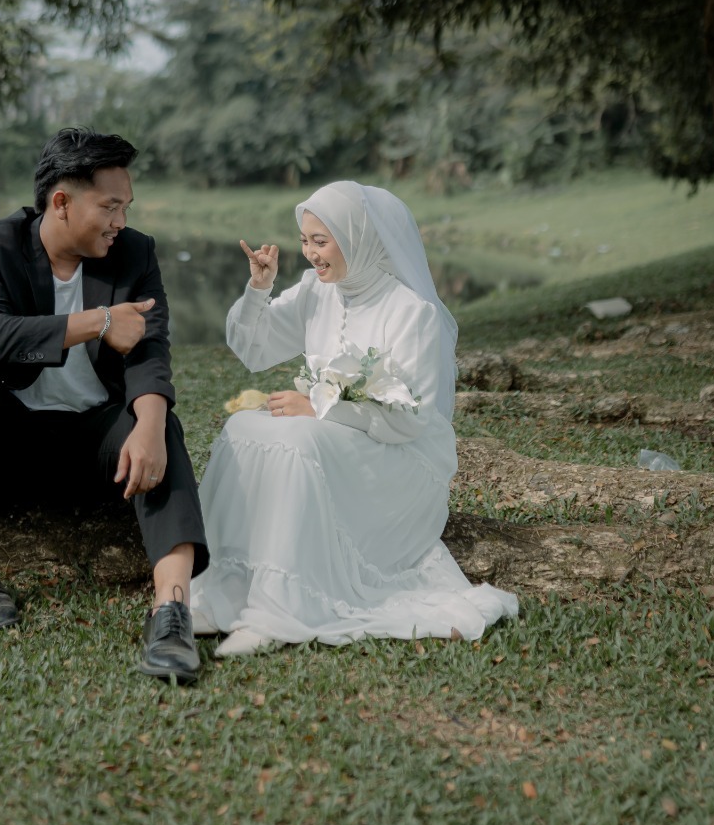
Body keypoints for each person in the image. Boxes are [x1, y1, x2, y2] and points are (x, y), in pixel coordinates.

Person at [0, 128, 208, 682]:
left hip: (98, 443)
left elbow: (150, 347)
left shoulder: (134, 252)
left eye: (126, 207)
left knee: (159, 423)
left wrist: (149, 423)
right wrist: (98, 321)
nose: (120, 221)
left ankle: (172, 612)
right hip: (10, 444)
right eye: (109, 207)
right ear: (61, 202)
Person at [190, 180, 518, 656]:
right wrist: (259, 289)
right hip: (340, 441)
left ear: (356, 238)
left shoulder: (412, 312)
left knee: (299, 441)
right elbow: (254, 348)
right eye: (305, 240)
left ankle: (277, 609)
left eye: (320, 241)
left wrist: (320, 407)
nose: (310, 253)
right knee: (241, 427)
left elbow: (410, 419)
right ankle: (223, 590)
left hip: (397, 460)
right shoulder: (317, 291)